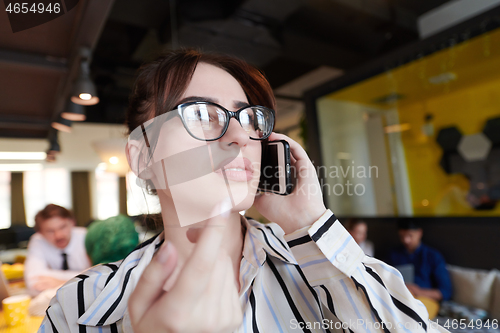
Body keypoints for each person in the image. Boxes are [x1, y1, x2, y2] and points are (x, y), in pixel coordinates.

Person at [40, 50, 449, 332]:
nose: (240, 135)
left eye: (251, 118)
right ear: (142, 153)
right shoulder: (78, 308)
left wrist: (309, 224)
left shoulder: (320, 266)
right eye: (201, 113)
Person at [388, 220, 453, 319]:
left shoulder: (433, 256)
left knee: (413, 318)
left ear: (419, 233)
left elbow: (445, 292)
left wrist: (419, 291)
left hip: (424, 299)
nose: (406, 240)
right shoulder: (393, 255)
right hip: (398, 297)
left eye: (410, 236)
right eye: (402, 236)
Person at [25, 204, 91, 296]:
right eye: (50, 231)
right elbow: (33, 279)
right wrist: (82, 277)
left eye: (62, 227)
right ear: (40, 233)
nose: (58, 236)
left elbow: (99, 275)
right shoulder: (38, 240)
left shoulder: (87, 236)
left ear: (72, 222)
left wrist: (60, 282)